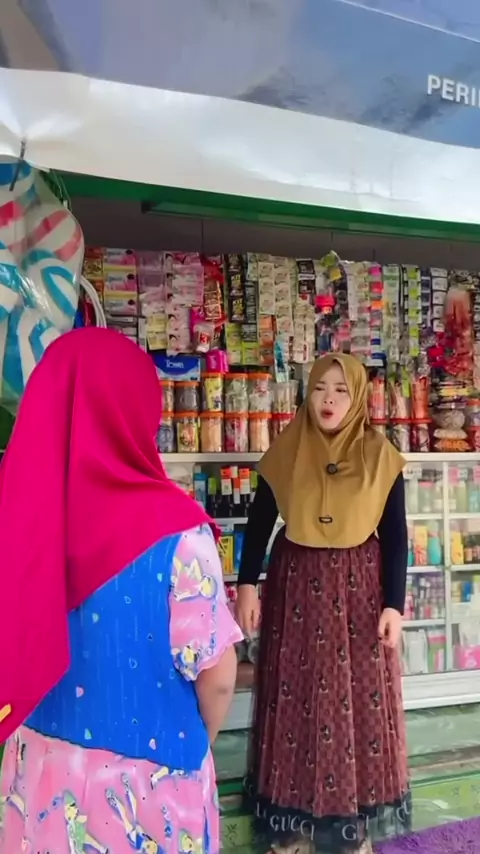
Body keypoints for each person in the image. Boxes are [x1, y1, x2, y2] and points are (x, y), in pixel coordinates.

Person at [0, 327, 242, 854]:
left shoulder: (13, 519)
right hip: (149, 794)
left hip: (38, 782)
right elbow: (218, 677)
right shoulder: (179, 535)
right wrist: (193, 739)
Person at [236, 354, 410, 854]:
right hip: (297, 586)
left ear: (357, 398)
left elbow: (396, 537)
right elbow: (259, 522)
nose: (328, 399)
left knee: (356, 699)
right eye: (319, 389)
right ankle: (294, 829)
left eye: (340, 390)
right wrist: (247, 585)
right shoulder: (287, 449)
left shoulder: (380, 455)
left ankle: (350, 830)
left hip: (360, 590)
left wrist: (393, 605)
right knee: (297, 695)